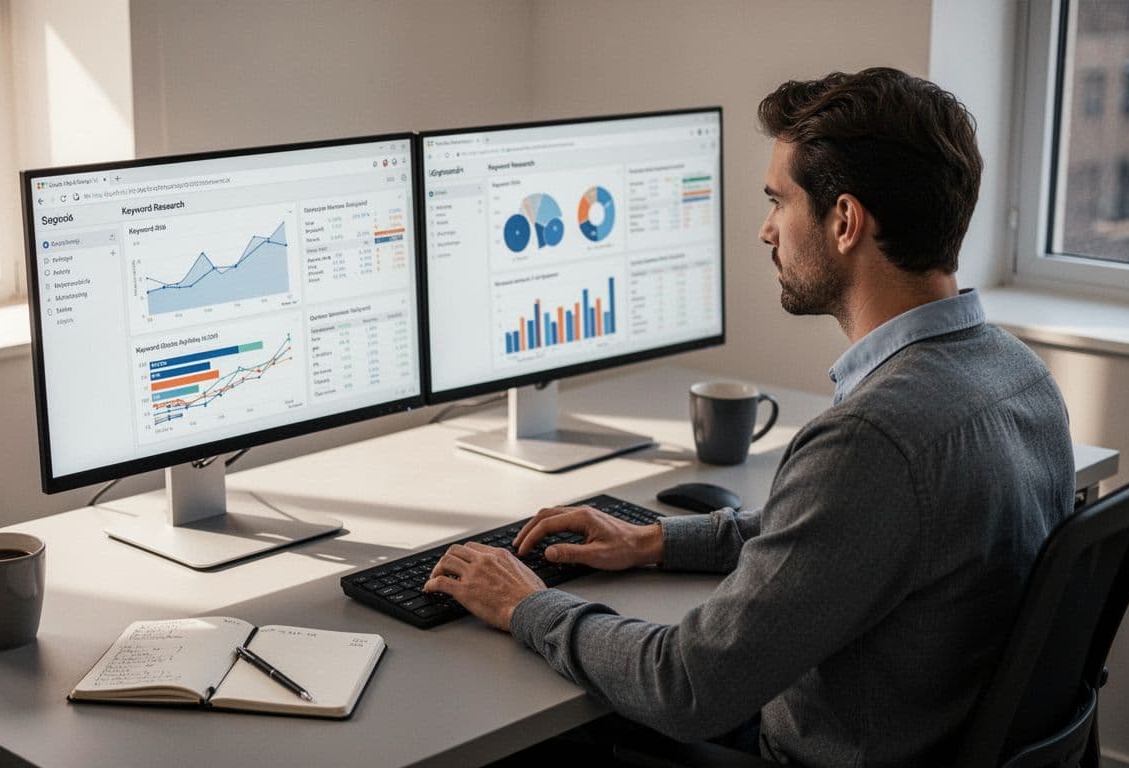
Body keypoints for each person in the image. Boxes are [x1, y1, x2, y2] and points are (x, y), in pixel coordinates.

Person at [422, 67, 1076, 766]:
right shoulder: (1019, 376)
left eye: (778, 201)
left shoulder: (874, 439)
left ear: (846, 221)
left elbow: (686, 687)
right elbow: (850, 540)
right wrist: (655, 542)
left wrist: (528, 607)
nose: (766, 230)